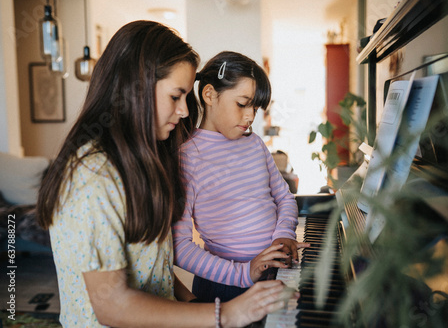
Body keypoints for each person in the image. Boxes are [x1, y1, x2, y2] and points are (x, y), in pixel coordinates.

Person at [36, 21, 292, 328]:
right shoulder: (92, 177)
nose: (185, 111)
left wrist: (196, 305)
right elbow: (112, 305)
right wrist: (226, 313)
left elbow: (152, 268)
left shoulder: (141, 162)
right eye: (176, 96)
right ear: (136, 88)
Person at [173, 51, 308, 303]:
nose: (250, 117)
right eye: (242, 104)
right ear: (210, 95)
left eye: (255, 108)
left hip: (274, 271)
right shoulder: (187, 158)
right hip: (225, 287)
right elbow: (180, 248)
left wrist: (284, 234)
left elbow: (285, 198)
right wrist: (244, 273)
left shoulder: (254, 143)